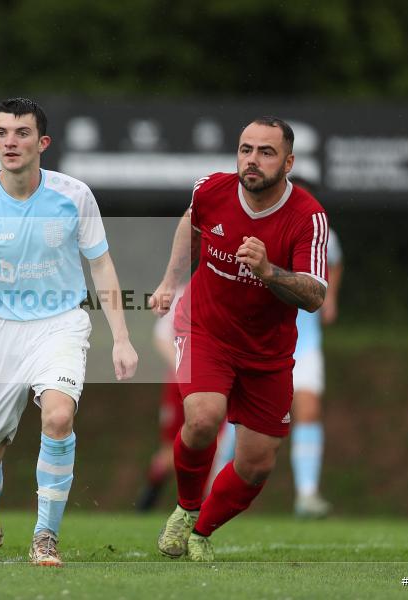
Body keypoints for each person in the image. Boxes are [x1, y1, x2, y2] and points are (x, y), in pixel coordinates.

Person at [0, 97, 138, 566]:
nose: (10, 142)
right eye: (2, 133)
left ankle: (45, 537)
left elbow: (100, 265)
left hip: (60, 324)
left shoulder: (74, 195)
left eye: (21, 133)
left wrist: (121, 337)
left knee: (59, 416)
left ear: (42, 142)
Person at [149, 117, 329, 561]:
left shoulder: (308, 217)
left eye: (266, 152)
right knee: (204, 418)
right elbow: (191, 226)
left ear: (287, 162)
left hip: (267, 352)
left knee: (256, 463)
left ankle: (201, 531)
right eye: (246, 149)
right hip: (205, 328)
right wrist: (171, 282)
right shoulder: (210, 189)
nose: (252, 159)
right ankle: (186, 509)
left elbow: (316, 296)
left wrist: (268, 272)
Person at [135, 295, 235, 512]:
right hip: (179, 385)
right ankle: (151, 493)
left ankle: (200, 508)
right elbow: (161, 336)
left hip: (217, 382)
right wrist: (184, 369)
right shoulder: (186, 294)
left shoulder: (232, 294)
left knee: (217, 443)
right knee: (170, 452)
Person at [287, 177, 343, 518]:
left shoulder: (323, 234)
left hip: (304, 343)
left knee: (308, 409)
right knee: (236, 425)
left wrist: (331, 297)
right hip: (259, 341)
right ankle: (208, 492)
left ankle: (307, 494)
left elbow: (335, 261)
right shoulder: (259, 226)